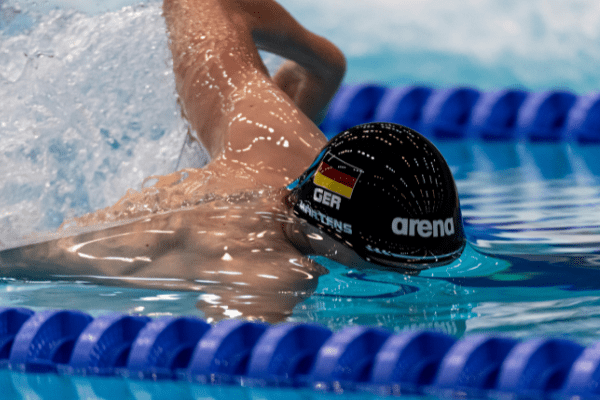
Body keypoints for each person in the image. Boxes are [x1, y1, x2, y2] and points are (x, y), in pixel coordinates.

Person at [0, 0, 465, 322]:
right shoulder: (264, 271)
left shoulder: (280, 143)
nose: (413, 276)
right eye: (392, 265)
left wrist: (324, 65)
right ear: (329, 234)